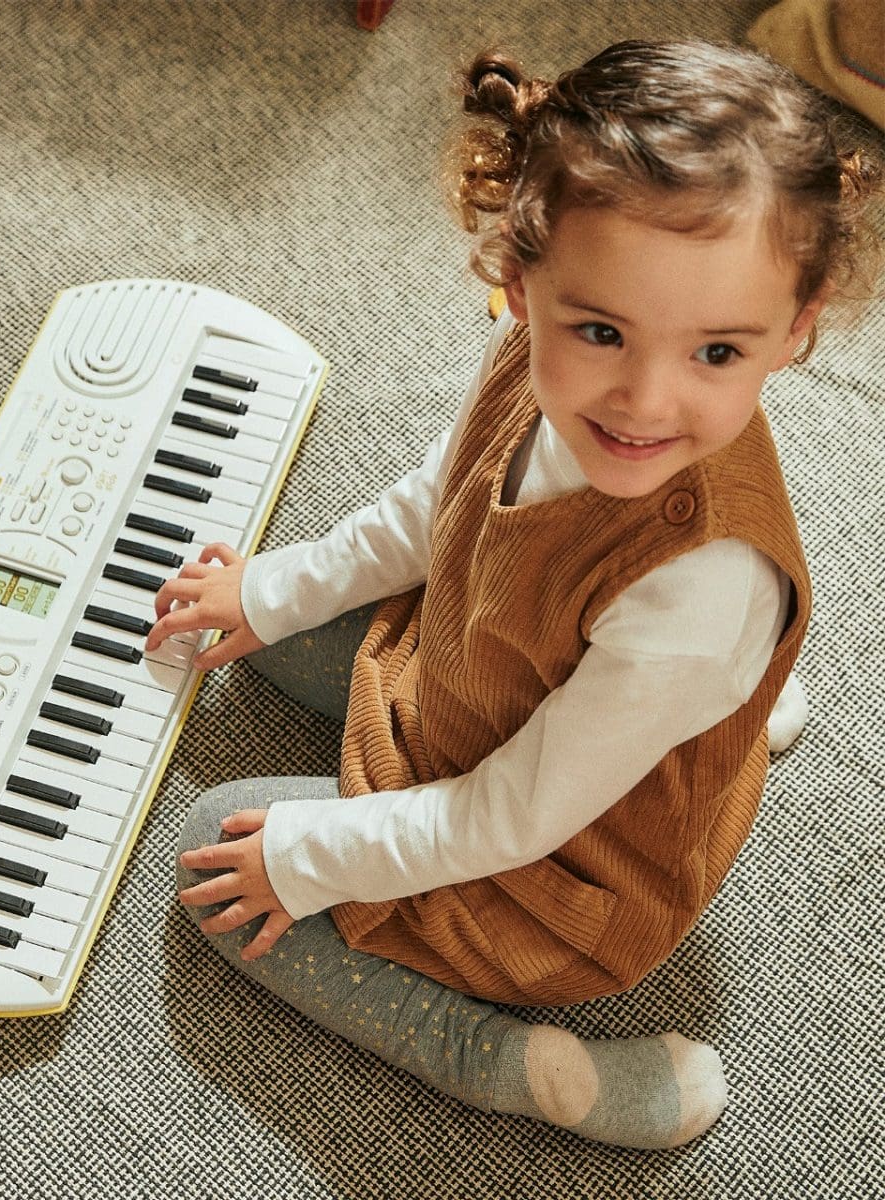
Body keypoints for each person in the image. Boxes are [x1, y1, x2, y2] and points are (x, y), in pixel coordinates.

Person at [147, 39, 881, 1149]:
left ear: (798, 327)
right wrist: (277, 588)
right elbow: (448, 502)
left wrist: (306, 857)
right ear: (518, 279)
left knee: (217, 856)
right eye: (599, 331)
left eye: (717, 352)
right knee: (282, 640)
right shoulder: (531, 367)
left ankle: (506, 1066)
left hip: (560, 872)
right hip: (499, 678)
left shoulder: (698, 587)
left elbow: (509, 819)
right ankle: (712, 715)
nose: (644, 398)